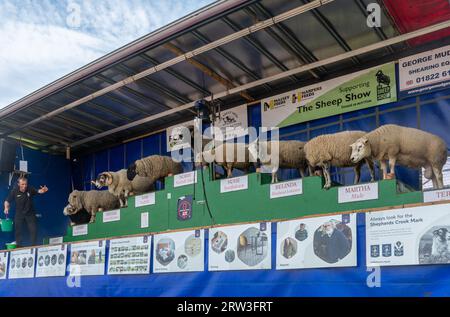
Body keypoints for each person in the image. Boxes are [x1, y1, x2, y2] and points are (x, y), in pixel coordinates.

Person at [3, 177, 49, 247]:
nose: (24, 186)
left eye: (25, 184)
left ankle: (33, 246)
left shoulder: (30, 189)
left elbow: (39, 191)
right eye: (22, 184)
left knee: (33, 230)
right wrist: (6, 207)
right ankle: (19, 246)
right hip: (19, 214)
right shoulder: (14, 191)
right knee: (18, 230)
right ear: (18, 184)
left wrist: (43, 190)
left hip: (30, 213)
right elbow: (7, 201)